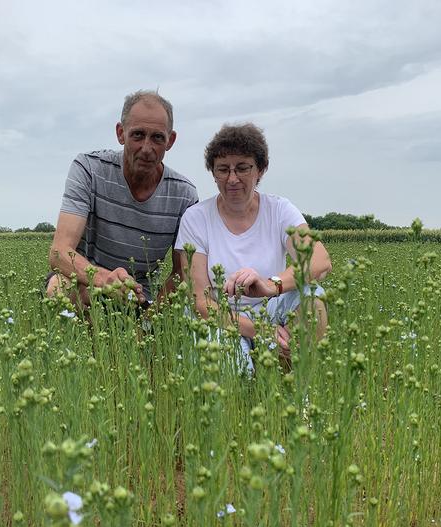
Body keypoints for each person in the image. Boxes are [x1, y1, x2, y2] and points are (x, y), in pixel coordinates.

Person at [175, 123, 331, 368]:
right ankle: (247, 375)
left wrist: (270, 286)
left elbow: (320, 262)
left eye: (243, 168)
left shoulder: (279, 210)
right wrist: (259, 330)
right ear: (213, 173)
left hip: (271, 308)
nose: (232, 178)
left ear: (261, 169)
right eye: (223, 169)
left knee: (313, 298)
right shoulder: (196, 218)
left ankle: (295, 381)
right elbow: (200, 302)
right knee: (232, 370)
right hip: (222, 317)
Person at [46, 90, 198, 307]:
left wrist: (149, 319)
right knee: (58, 288)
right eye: (137, 135)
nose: (147, 148)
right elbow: (59, 252)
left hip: (140, 297)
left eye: (157, 138)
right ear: (121, 133)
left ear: (170, 141)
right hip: (87, 285)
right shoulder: (89, 168)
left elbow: (182, 272)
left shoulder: (184, 195)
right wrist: (104, 280)